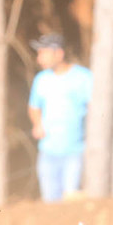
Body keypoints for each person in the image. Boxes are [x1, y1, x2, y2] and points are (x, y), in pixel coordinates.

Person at [28, 33, 93, 202]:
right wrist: (37, 124)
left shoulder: (84, 77)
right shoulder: (41, 79)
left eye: (43, 53)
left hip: (76, 151)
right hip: (47, 151)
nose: (39, 59)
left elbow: (95, 108)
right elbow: (34, 106)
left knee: (70, 200)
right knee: (50, 202)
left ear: (59, 53)